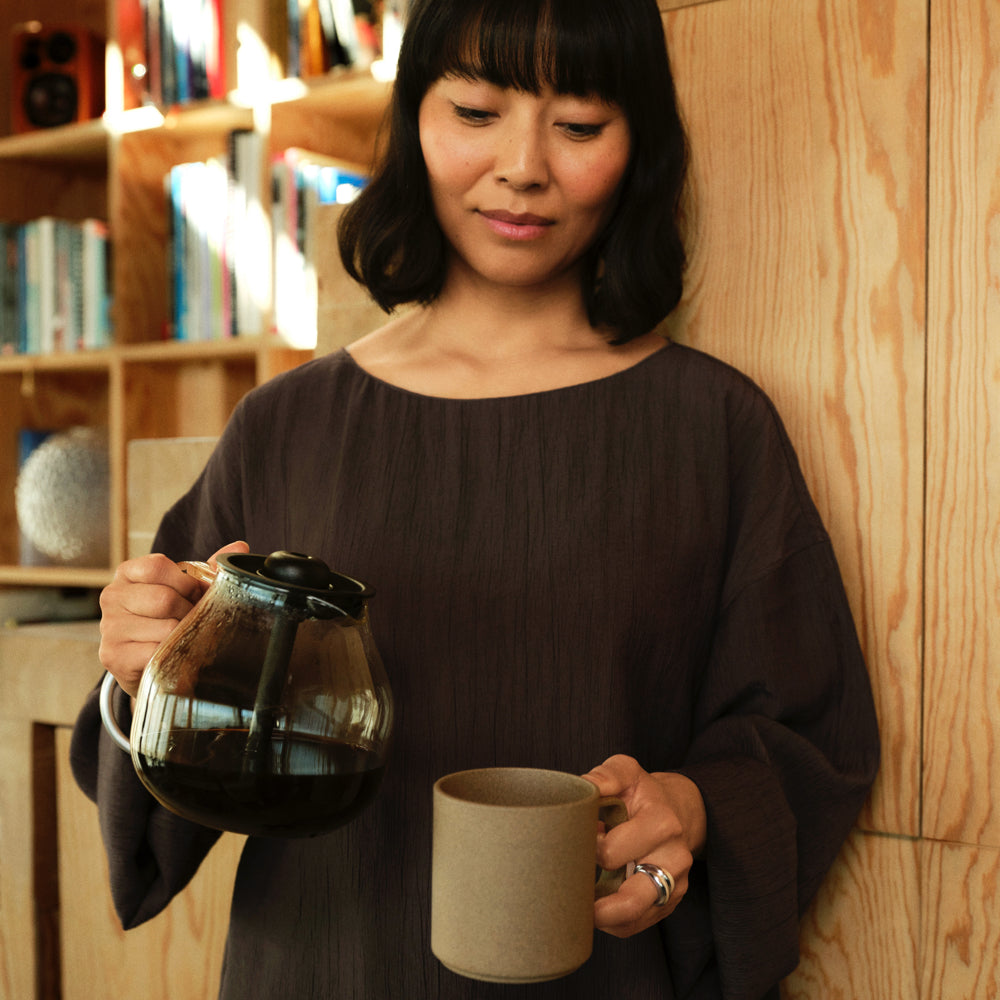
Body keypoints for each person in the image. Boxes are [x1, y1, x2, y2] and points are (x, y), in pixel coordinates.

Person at [70, 0, 880, 997]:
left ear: (640, 146)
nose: (524, 166)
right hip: (319, 965)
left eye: (578, 124)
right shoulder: (284, 426)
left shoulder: (714, 426)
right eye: (475, 110)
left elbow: (805, 730)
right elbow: (158, 751)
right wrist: (139, 667)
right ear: (415, 121)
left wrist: (695, 805)